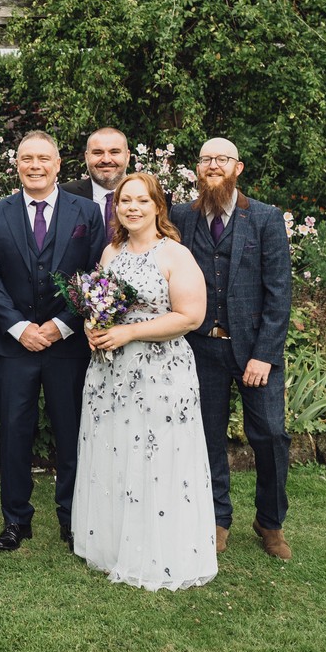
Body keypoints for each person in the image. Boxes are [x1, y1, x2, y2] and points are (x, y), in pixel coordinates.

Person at [72, 172, 217, 590]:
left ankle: (159, 552)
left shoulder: (175, 255)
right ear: (115, 208)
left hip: (160, 373)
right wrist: (92, 327)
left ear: (158, 207)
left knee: (156, 458)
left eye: (141, 201)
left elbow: (190, 317)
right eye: (124, 201)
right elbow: (98, 304)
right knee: (115, 451)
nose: (132, 208)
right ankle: (116, 545)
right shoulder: (111, 252)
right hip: (110, 372)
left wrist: (129, 332)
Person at [169, 138, 294, 559]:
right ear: (198, 169)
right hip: (200, 348)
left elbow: (279, 293)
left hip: (255, 350)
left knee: (271, 435)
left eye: (222, 159)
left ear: (237, 168)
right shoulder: (180, 217)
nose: (213, 166)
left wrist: (265, 353)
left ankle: (270, 521)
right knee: (206, 438)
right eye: (206, 159)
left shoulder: (265, 218)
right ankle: (218, 518)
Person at [0, 130, 104, 552]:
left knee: (71, 434)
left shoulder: (86, 213)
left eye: (43, 159)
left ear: (58, 165)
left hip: (66, 346)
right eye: (26, 158)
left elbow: (93, 277)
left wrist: (61, 325)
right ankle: (16, 521)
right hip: (15, 346)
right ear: (17, 165)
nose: (35, 166)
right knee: (14, 433)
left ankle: (73, 520)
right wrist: (19, 328)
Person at [60, 127, 131, 235]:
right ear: (87, 157)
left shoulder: (148, 195)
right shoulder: (64, 195)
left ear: (127, 156)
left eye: (114, 152)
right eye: (98, 153)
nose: (106, 160)